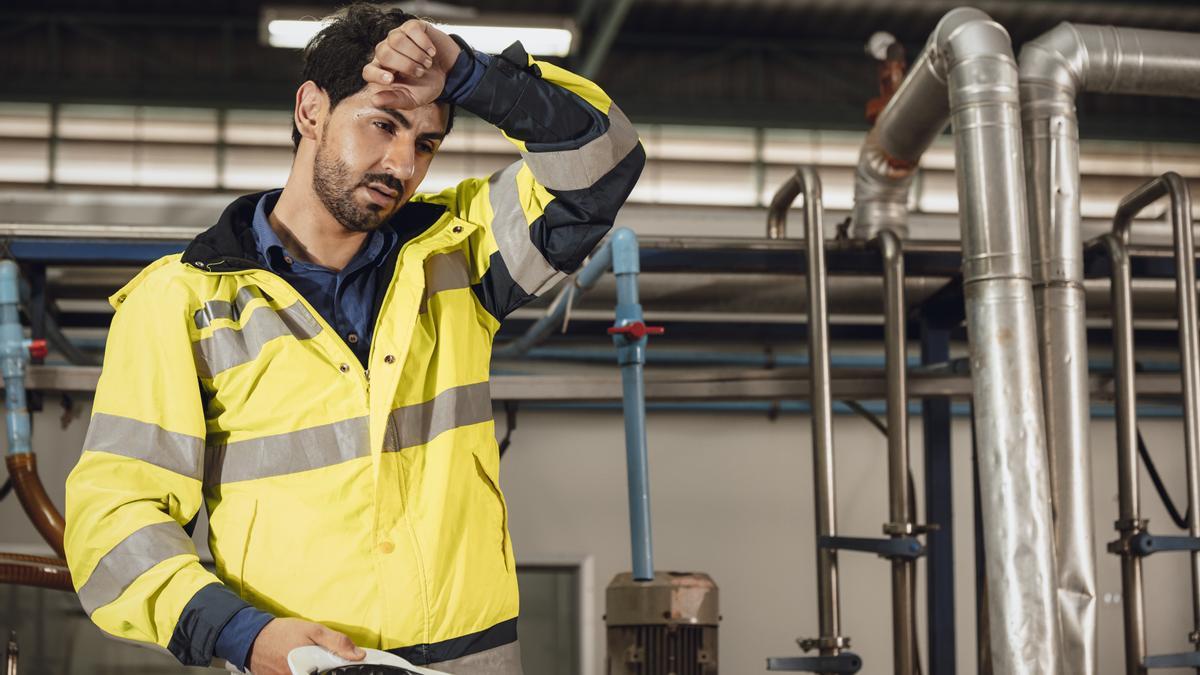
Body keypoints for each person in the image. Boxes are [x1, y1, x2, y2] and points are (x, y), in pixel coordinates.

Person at [62, 4, 644, 674]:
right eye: (384, 124)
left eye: (426, 143)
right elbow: (115, 520)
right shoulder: (184, 302)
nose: (402, 164)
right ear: (311, 111)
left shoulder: (460, 252)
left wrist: (470, 74)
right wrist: (244, 635)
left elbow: (604, 160)